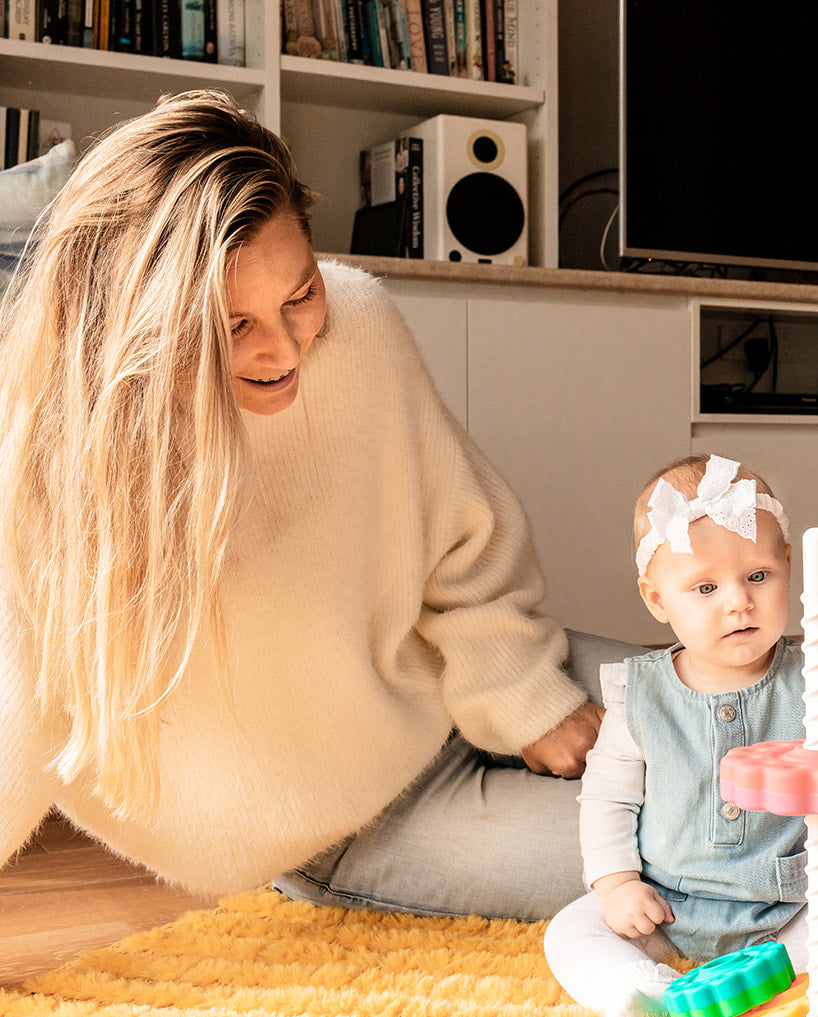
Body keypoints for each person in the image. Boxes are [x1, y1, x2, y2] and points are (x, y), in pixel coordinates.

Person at [0, 89, 638, 922]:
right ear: (138, 326)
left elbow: (460, 537)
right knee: (686, 857)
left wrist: (521, 693)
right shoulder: (55, 457)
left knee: (761, 694)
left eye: (298, 294)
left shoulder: (358, 325)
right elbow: (14, 721)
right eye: (231, 327)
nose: (285, 346)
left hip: (440, 684)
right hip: (342, 828)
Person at [542, 454, 818, 1017]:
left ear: (789, 569)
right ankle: (644, 996)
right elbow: (608, 799)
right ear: (658, 600)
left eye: (758, 577)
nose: (737, 601)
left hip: (792, 908)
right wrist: (615, 886)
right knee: (571, 930)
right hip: (670, 907)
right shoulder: (638, 696)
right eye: (706, 587)